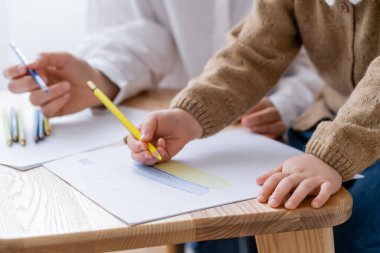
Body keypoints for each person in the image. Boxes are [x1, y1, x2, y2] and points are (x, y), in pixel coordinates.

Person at [125, 1, 380, 253]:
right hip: (329, 120)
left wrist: (332, 155)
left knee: (350, 234)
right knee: (226, 220)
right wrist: (189, 115)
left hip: (352, 134)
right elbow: (252, 52)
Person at [3, 0, 322, 140]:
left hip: (292, 127)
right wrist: (101, 77)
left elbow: (332, 53)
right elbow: (145, 33)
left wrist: (289, 102)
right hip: (182, 130)